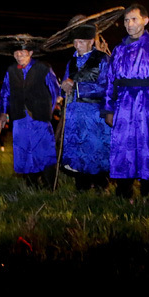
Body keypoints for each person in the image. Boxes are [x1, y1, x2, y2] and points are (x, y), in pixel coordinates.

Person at [104, 4, 149, 199]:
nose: (129, 24)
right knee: (123, 145)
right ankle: (124, 189)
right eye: (126, 20)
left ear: (145, 20)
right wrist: (108, 109)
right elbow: (110, 80)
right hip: (124, 102)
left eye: (134, 19)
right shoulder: (119, 50)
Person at [0, 44, 61, 186]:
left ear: (31, 52)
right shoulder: (11, 70)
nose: (19, 55)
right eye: (16, 52)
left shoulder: (43, 68)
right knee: (23, 148)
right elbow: (5, 93)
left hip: (40, 117)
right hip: (19, 116)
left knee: (44, 148)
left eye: (22, 52)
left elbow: (54, 90)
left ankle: (50, 183)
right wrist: (3, 112)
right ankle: (31, 183)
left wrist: (47, 110)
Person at [59, 24, 112, 190]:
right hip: (75, 114)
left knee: (96, 148)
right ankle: (81, 185)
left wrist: (77, 86)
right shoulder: (72, 61)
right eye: (75, 42)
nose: (77, 45)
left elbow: (108, 86)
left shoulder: (102, 59)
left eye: (81, 42)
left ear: (91, 41)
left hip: (94, 115)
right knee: (77, 148)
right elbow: (67, 83)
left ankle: (101, 185)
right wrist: (64, 88)